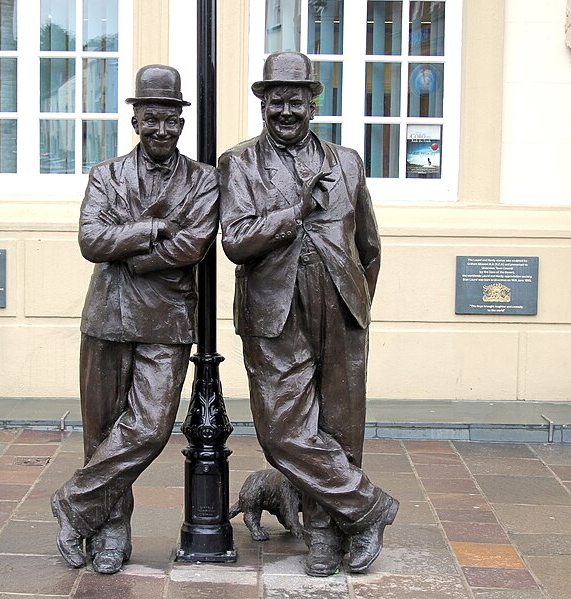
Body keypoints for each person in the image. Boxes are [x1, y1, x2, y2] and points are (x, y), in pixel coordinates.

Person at [218, 52, 398, 576]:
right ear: (263, 104)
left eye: (295, 101)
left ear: (314, 104)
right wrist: (295, 210)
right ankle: (368, 509)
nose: (286, 111)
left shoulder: (346, 162)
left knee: (341, 427)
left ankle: (325, 535)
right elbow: (236, 241)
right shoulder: (240, 163)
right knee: (282, 431)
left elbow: (369, 244)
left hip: (340, 307)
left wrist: (357, 303)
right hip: (274, 312)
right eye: (276, 102)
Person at [50, 64, 219, 575]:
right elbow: (90, 241)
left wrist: (131, 251)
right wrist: (153, 228)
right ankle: (110, 529)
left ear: (181, 122)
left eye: (171, 118)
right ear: (136, 120)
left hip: (166, 321)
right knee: (101, 432)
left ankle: (73, 501)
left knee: (148, 428)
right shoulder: (106, 175)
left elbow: (195, 244)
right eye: (152, 118)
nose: (162, 128)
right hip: (106, 316)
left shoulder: (204, 179)